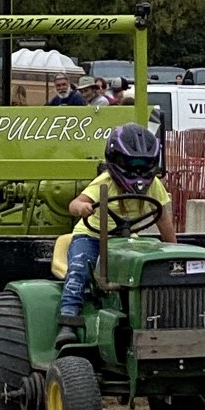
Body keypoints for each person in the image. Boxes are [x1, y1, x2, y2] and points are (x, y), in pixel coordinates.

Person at [55, 124, 176, 347]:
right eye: (132, 165)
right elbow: (76, 203)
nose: (138, 172)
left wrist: (174, 252)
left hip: (129, 240)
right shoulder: (105, 182)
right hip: (91, 237)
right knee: (80, 268)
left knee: (153, 267)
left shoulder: (155, 186)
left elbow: (163, 220)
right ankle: (68, 319)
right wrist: (82, 208)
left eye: (144, 165)